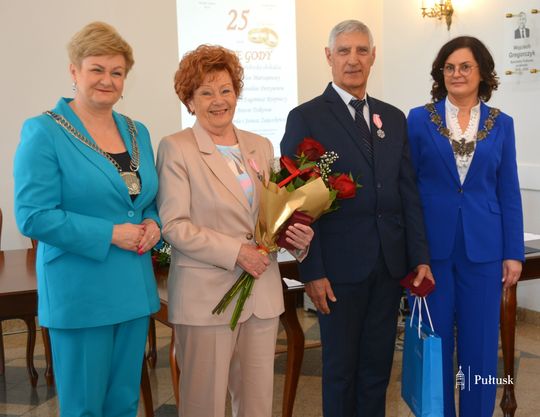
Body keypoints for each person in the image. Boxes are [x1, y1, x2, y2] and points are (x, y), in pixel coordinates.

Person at [281, 20, 433, 417]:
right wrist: (312, 271)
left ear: (373, 56)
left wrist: (419, 256)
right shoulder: (306, 117)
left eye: (362, 50)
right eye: (344, 51)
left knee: (377, 370)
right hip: (337, 271)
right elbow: (296, 206)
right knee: (340, 372)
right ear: (328, 57)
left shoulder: (392, 118)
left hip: (388, 266)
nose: (353, 59)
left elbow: (407, 194)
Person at [156, 44, 313, 417]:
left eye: (226, 90)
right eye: (206, 92)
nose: (219, 100)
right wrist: (236, 252)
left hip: (261, 294)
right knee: (204, 406)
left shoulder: (259, 145)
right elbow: (174, 225)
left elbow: (271, 216)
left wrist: (297, 238)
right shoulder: (176, 148)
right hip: (206, 297)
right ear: (189, 101)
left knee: (257, 405)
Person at [13, 22, 161, 417]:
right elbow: (33, 216)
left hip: (133, 288)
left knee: (123, 404)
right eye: (97, 69)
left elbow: (144, 200)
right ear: (74, 71)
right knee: (84, 409)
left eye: (117, 72)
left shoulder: (138, 131)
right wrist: (110, 233)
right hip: (81, 292)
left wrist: (154, 224)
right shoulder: (44, 131)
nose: (107, 80)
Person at [407, 36, 524, 417]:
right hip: (431, 253)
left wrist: (513, 253)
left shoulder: (501, 123)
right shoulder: (419, 119)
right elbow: (407, 187)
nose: (456, 74)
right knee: (434, 344)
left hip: (485, 250)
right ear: (440, 73)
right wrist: (413, 248)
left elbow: (508, 190)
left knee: (481, 345)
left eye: (465, 67)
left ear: (482, 73)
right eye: (449, 67)